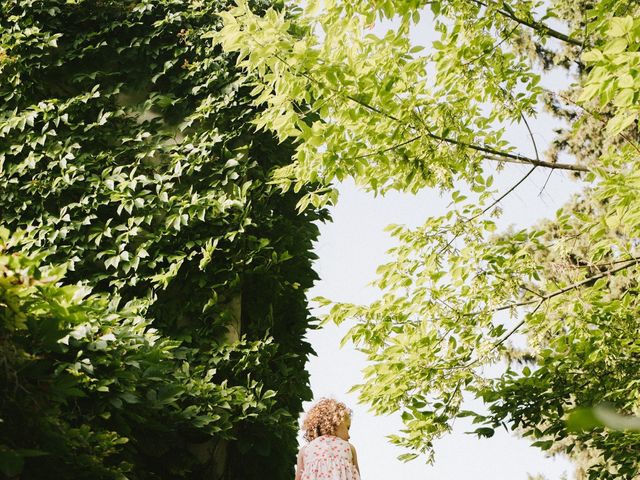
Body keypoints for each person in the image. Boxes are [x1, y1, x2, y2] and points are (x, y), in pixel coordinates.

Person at [295, 398, 361, 480]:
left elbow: (298, 478)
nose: (349, 436)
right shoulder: (349, 448)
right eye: (347, 428)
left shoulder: (305, 450)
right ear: (336, 423)